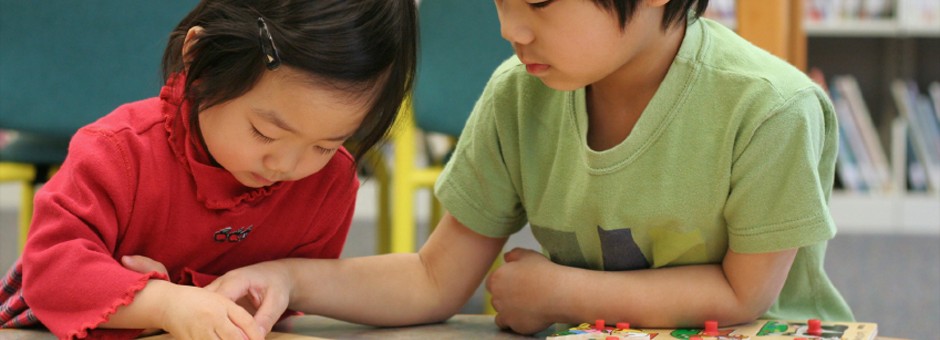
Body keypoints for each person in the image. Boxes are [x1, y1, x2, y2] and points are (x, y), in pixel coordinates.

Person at [207, 0, 855, 335]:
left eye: (540, 4)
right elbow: (434, 278)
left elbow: (744, 299)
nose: (511, 29)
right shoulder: (519, 94)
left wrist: (560, 293)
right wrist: (288, 278)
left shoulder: (772, 108)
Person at [0, 0, 416, 339]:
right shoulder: (118, 152)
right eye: (264, 133)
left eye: (326, 145)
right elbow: (50, 272)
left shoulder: (326, 184)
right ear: (201, 59)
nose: (287, 166)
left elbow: (287, 294)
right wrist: (164, 304)